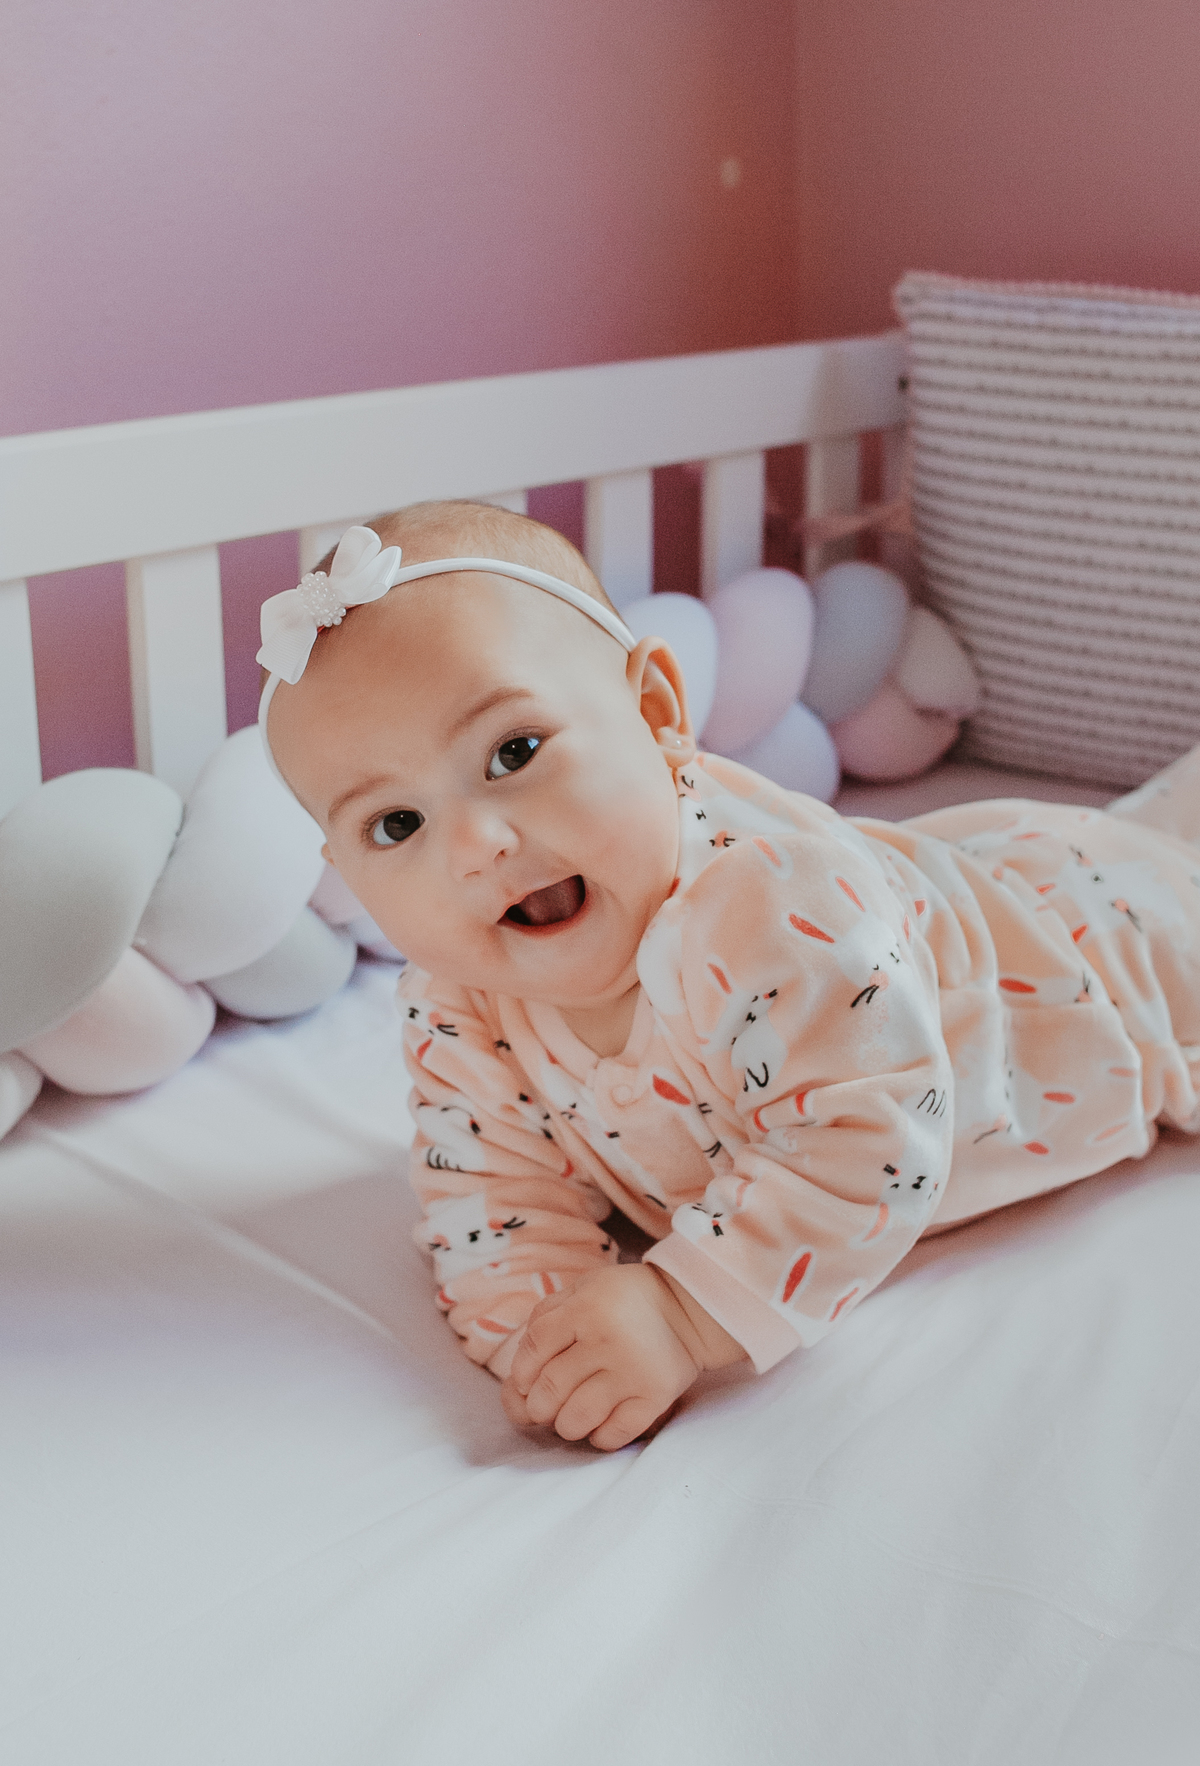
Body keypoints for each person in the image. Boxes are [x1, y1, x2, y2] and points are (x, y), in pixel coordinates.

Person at [259, 501, 1200, 1451]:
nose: (475, 845)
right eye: (395, 825)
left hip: (1091, 953)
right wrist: (554, 1344)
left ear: (657, 712)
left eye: (513, 752)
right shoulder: (460, 1012)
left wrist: (677, 1314)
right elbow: (490, 1197)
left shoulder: (775, 908)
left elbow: (867, 1141)